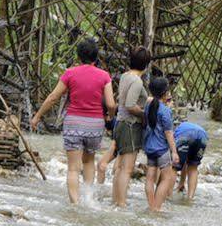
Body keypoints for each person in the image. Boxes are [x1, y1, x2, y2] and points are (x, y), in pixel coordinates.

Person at [30, 37, 116, 206]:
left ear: (78, 56)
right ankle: (89, 200)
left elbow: (53, 97)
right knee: (89, 161)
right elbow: (111, 103)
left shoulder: (70, 73)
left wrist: (37, 116)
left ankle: (75, 203)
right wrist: (110, 116)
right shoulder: (104, 76)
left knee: (73, 168)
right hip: (95, 124)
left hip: (74, 122)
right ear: (96, 57)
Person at [108, 46, 152, 209]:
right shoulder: (137, 80)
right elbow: (130, 105)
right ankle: (121, 202)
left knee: (120, 167)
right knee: (127, 168)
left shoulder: (125, 76)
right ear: (146, 65)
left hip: (119, 124)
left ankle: (116, 200)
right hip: (130, 126)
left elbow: (123, 100)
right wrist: (145, 115)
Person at [140, 73, 180, 212]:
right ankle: (156, 208)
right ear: (165, 93)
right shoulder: (165, 111)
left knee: (150, 178)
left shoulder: (148, 107)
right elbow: (168, 133)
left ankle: (151, 206)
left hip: (149, 148)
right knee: (166, 179)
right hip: (162, 150)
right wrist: (174, 152)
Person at [172, 117, 208, 202]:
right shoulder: (186, 125)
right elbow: (185, 161)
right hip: (203, 136)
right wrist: (181, 183)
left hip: (186, 135)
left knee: (175, 166)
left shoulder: (174, 131)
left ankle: (168, 195)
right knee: (193, 167)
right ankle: (190, 197)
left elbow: (176, 162)